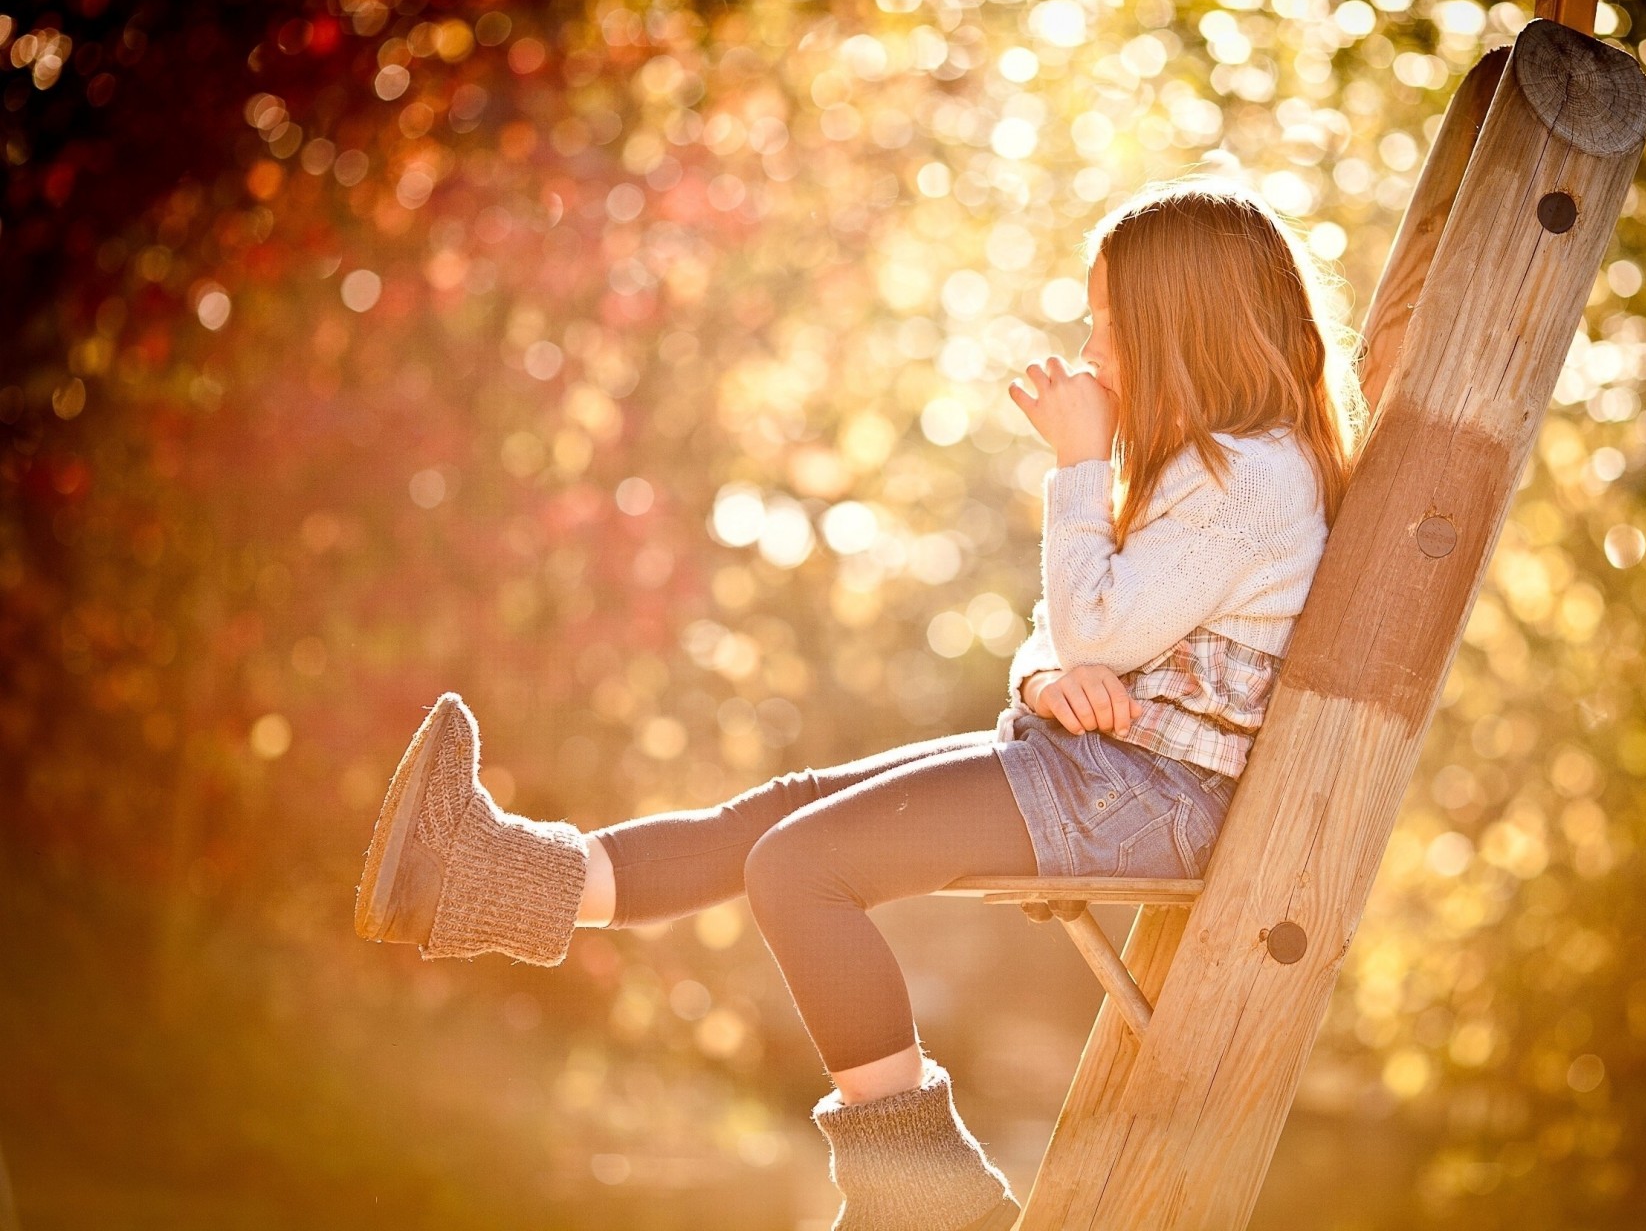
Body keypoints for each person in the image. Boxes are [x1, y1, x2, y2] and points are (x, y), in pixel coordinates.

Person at [352, 174, 1365, 1231]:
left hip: (1152, 794)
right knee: (777, 816)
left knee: (801, 867)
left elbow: (1095, 623)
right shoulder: (1209, 467)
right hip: (1105, 770)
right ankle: (479, 878)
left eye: (1107, 321)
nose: (1091, 347)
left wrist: (1077, 466)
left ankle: (920, 1197)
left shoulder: (1255, 477)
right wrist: (1043, 676)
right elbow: (1067, 626)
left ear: (1180, 322)